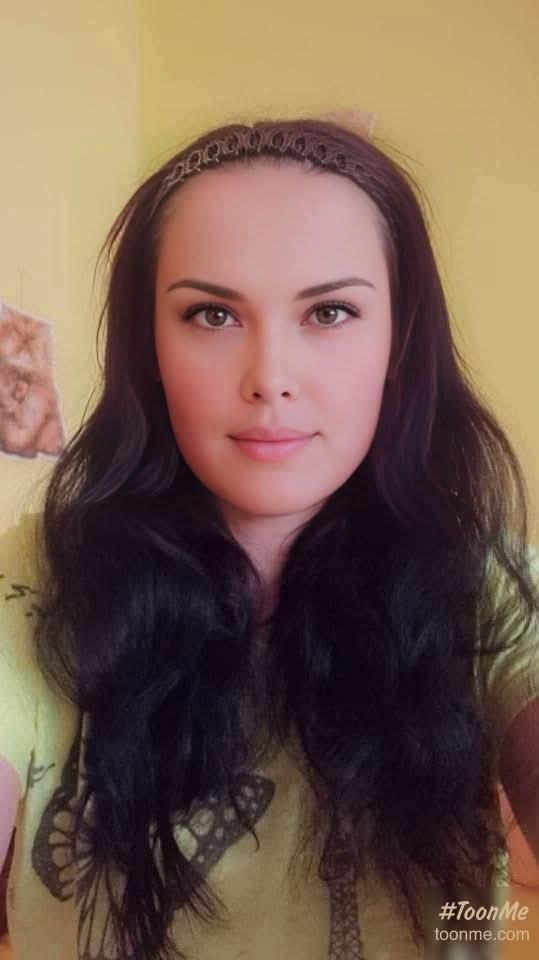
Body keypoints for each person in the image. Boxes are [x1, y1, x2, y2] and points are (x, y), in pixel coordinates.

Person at [0, 117, 538, 960]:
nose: (270, 380)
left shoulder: (490, 588)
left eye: (329, 311)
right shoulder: (36, 577)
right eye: (212, 314)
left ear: (397, 344)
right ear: (149, 348)